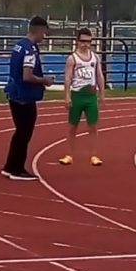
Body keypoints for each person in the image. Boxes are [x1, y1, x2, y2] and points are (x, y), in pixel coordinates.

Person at [2, 16, 54, 181]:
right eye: (44, 33)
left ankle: (10, 165)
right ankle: (17, 169)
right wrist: (44, 80)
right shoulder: (30, 50)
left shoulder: (19, 46)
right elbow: (27, 75)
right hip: (23, 96)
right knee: (24, 132)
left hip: (14, 92)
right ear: (39, 31)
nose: (44, 37)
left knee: (19, 132)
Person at [59, 28, 106, 167]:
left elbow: (99, 75)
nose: (85, 44)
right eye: (83, 41)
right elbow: (67, 78)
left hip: (91, 96)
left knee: (93, 126)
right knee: (72, 126)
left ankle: (94, 155)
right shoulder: (72, 58)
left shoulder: (95, 57)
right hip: (77, 95)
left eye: (88, 42)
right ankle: (69, 155)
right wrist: (67, 96)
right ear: (77, 41)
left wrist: (102, 93)